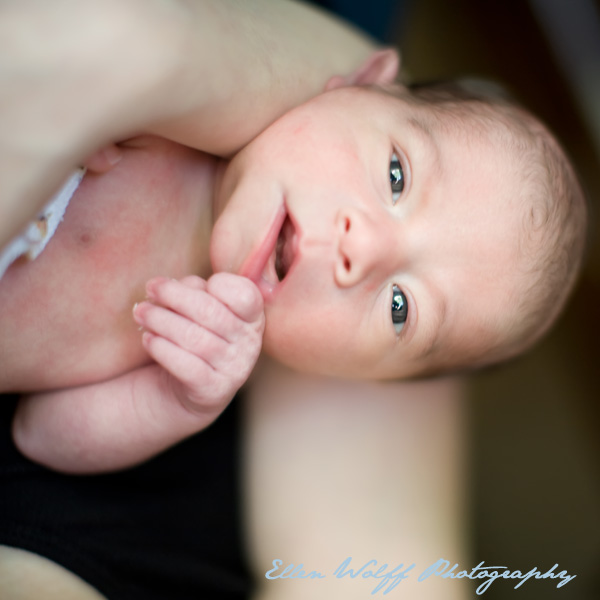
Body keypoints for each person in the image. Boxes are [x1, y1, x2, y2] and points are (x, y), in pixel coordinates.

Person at [0, 4, 587, 475]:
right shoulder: (176, 107)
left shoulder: (190, 351)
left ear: (352, 374)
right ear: (361, 84)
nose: (366, 249)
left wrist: (173, 401)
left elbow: (37, 434)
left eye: (400, 308)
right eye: (396, 176)